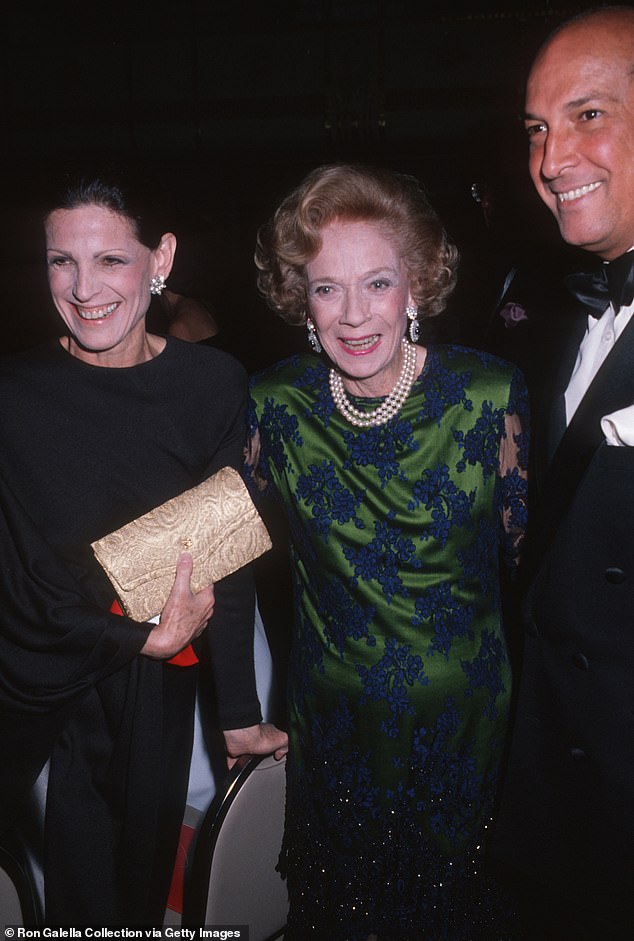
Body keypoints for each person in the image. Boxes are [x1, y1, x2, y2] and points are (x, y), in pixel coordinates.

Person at [245, 162, 530, 940]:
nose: (353, 313)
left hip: (466, 734)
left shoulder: (489, 393)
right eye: (326, 287)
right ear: (301, 301)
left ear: (416, 286)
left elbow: (531, 572)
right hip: (333, 731)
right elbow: (209, 554)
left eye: (377, 282)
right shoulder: (275, 405)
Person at [0, 162, 287, 925]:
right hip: (42, 692)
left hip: (157, 696)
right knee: (56, 896)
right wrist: (135, 638)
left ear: (160, 260)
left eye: (110, 260)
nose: (84, 288)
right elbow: (17, 584)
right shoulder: (15, 397)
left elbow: (223, 557)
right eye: (62, 260)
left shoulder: (212, 383)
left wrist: (238, 714)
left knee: (136, 894)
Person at [490, 7, 634, 939]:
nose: (551, 160)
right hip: (547, 798)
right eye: (539, 129)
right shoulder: (541, 318)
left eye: (588, 115)